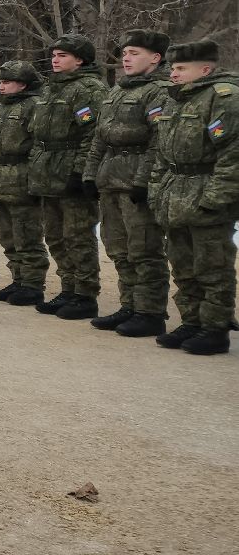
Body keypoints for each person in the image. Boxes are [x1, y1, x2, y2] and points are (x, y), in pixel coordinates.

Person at [142, 40, 237, 356]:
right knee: (182, 265)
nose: (173, 73)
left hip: (205, 193)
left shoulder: (224, 98)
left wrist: (215, 199)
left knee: (212, 266)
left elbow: (232, 155)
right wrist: (156, 193)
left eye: (181, 68)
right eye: (172, 67)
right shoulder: (175, 100)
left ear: (205, 69)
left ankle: (214, 329)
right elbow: (161, 154)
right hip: (175, 192)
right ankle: (192, 321)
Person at [82, 31, 172, 338]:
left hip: (136, 179)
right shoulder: (117, 91)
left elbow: (159, 141)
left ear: (155, 57)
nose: (126, 58)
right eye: (125, 53)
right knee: (118, 248)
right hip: (110, 177)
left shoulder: (160, 91)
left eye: (134, 53)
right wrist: (90, 174)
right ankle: (130, 305)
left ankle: (150, 312)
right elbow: (98, 138)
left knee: (144, 249)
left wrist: (144, 181)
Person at [26, 35, 107, 320]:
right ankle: (69, 288)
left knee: (78, 236)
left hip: (70, 171)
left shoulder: (89, 89)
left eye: (62, 55)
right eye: (54, 55)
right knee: (56, 237)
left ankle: (85, 294)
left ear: (80, 60)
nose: (55, 60)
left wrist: (81, 172)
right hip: (47, 172)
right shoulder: (50, 89)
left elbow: (93, 134)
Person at [0, 62, 51, 308]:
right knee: (7, 235)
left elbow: (37, 145)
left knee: (27, 235)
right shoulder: (1, 108)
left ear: (22, 84)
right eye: (0, 82)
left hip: (22, 178)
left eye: (6, 82)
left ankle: (33, 284)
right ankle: (18, 279)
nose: (0, 87)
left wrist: (34, 179)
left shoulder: (34, 106)